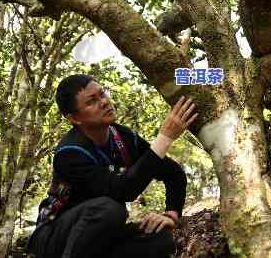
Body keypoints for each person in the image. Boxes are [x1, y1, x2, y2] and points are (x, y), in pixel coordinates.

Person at [26, 74, 198, 258]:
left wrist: (171, 216)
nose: (104, 102)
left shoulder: (123, 137)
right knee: (109, 209)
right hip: (54, 237)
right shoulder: (69, 153)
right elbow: (124, 190)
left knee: (161, 239)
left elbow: (173, 173)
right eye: (92, 101)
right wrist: (165, 138)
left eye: (102, 94)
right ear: (75, 118)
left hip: (99, 237)